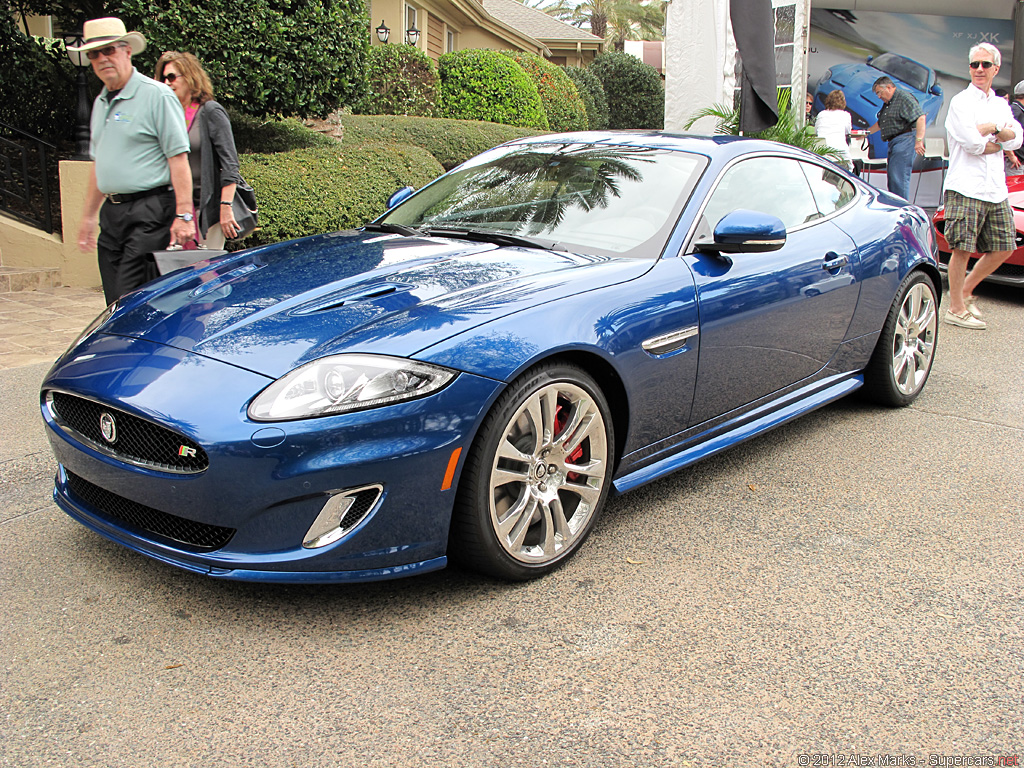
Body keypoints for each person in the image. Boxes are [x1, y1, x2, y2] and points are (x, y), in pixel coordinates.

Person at [70, 17, 193, 306]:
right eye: (94, 54)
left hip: (149, 211)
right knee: (114, 301)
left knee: (130, 298)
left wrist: (184, 215)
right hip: (112, 215)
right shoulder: (100, 102)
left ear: (127, 51)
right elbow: (99, 165)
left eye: (109, 50)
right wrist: (88, 216)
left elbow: (178, 158)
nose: (102, 59)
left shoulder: (157, 95)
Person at [942, 42, 1022, 330]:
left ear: (995, 69)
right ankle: (955, 308)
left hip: (995, 188)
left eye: (985, 65)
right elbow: (972, 144)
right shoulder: (960, 102)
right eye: (974, 64)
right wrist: (995, 138)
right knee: (961, 249)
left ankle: (965, 290)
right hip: (966, 186)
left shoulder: (1000, 104)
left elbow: (1017, 139)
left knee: (1004, 247)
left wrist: (995, 131)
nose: (978, 69)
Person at [154, 51, 245, 249]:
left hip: (205, 212)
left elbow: (230, 165)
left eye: (171, 77)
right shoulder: (167, 116)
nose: (166, 82)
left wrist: (226, 207)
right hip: (172, 209)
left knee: (206, 272)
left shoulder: (210, 112)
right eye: (162, 78)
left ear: (190, 77)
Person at [867, 76, 926, 200]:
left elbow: (920, 117)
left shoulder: (904, 98)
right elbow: (881, 123)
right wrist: (865, 133)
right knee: (893, 179)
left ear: (888, 87)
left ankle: (903, 209)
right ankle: (896, 205)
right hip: (895, 142)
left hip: (905, 140)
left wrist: (919, 141)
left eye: (879, 92)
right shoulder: (888, 104)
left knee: (899, 179)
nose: (878, 96)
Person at [814, 90, 853, 169]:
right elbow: (848, 131)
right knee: (849, 169)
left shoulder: (821, 114)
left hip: (824, 152)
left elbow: (816, 131)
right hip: (841, 152)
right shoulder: (846, 115)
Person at [1004, 81, 1024, 176]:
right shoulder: (1015, 111)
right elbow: (1003, 133)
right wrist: (1011, 155)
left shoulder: (1019, 110)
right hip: (1015, 163)